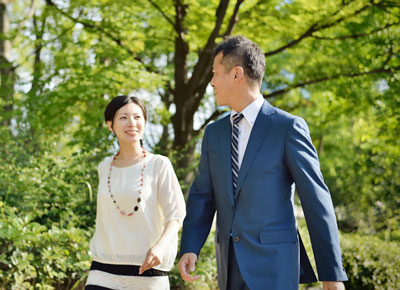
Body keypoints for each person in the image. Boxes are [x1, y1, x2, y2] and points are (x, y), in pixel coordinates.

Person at [178, 36, 348, 290]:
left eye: (215, 74)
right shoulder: (214, 133)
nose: (211, 82)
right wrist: (190, 246)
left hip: (275, 267)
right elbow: (202, 196)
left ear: (237, 74)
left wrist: (332, 274)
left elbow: (316, 201)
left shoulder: (287, 127)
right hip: (229, 267)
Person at [86, 95, 186, 290]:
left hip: (147, 273)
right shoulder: (104, 167)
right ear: (110, 125)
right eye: (123, 117)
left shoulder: (159, 164)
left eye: (137, 117)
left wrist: (160, 247)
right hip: (102, 271)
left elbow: (175, 214)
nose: (131, 123)